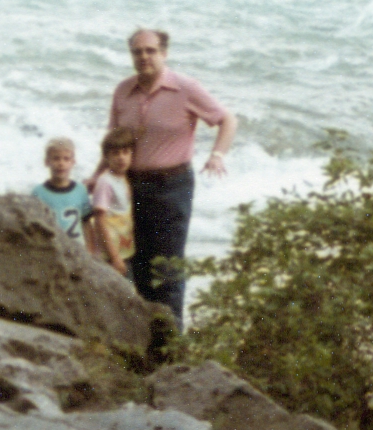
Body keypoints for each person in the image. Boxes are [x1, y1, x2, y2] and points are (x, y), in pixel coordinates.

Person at [105, 28, 236, 328]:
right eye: (137, 51)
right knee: (133, 263)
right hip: (129, 185)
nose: (144, 56)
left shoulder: (185, 88)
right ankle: (143, 339)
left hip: (171, 187)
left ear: (164, 53)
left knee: (167, 268)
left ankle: (172, 343)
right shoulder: (123, 91)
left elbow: (227, 120)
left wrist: (217, 155)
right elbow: (113, 142)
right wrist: (98, 177)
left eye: (150, 50)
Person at [31, 137, 93, 250]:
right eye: (56, 158)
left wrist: (90, 250)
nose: (61, 163)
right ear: (47, 162)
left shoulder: (80, 190)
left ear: (73, 162)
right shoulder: (38, 193)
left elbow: (86, 223)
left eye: (66, 159)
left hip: (78, 250)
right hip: (52, 251)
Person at [91, 126, 137, 277]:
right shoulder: (105, 182)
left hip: (124, 250)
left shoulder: (124, 178)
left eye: (125, 152)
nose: (121, 157)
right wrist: (115, 257)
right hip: (110, 255)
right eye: (115, 153)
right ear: (106, 157)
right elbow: (100, 220)